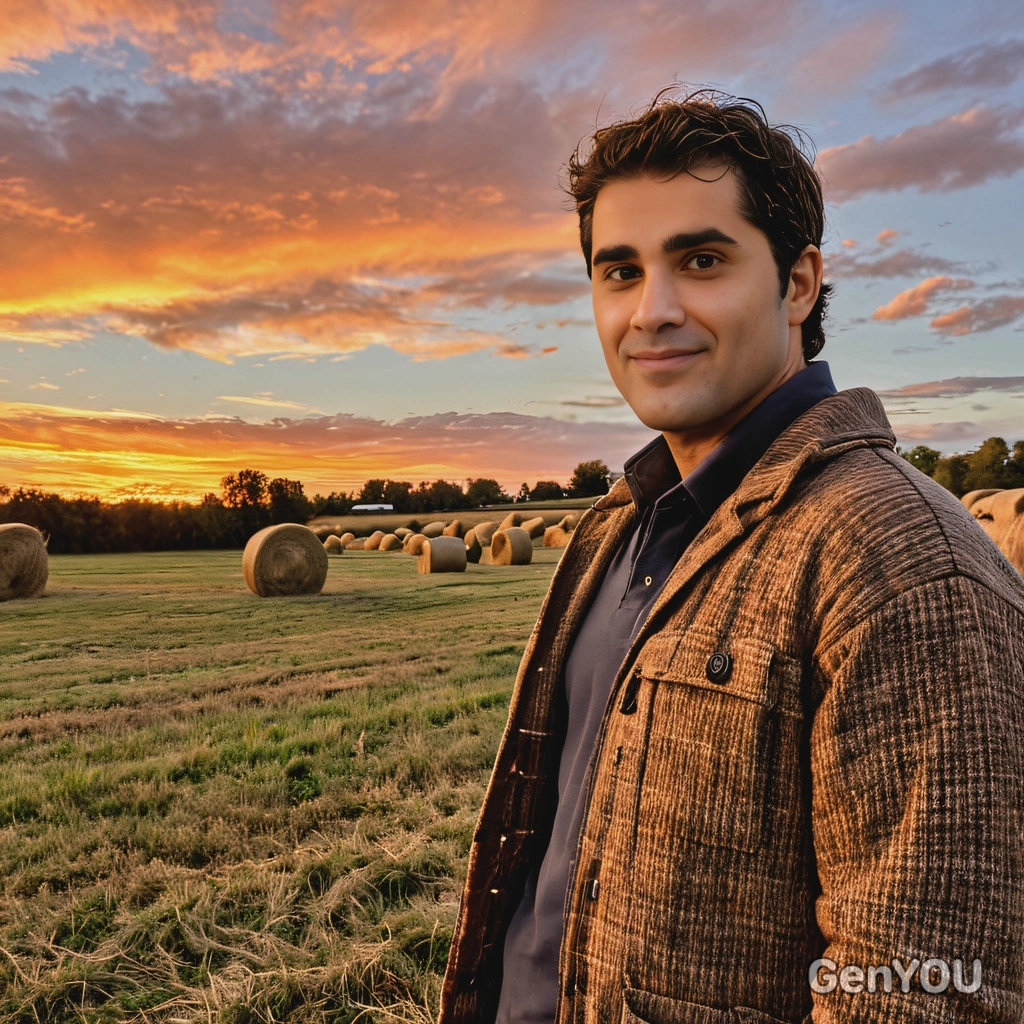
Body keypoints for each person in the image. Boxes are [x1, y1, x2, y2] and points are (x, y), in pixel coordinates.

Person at [438, 90, 1024, 1024]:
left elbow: (927, 991)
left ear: (798, 283)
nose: (651, 312)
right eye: (619, 272)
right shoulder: (613, 530)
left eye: (701, 261)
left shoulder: (903, 563)